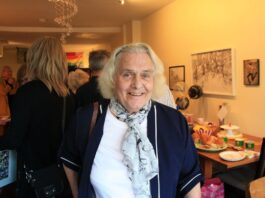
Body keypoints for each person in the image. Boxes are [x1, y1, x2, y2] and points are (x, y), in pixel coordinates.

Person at [60, 43, 203, 198]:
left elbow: (190, 181)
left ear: (154, 79)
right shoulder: (87, 118)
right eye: (127, 74)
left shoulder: (174, 122)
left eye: (145, 75)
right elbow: (70, 161)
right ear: (113, 79)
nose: (137, 84)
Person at [0, 36, 75, 198]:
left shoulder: (27, 92)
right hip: (59, 176)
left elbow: (14, 140)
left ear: (35, 59)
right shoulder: (67, 96)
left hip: (33, 178)